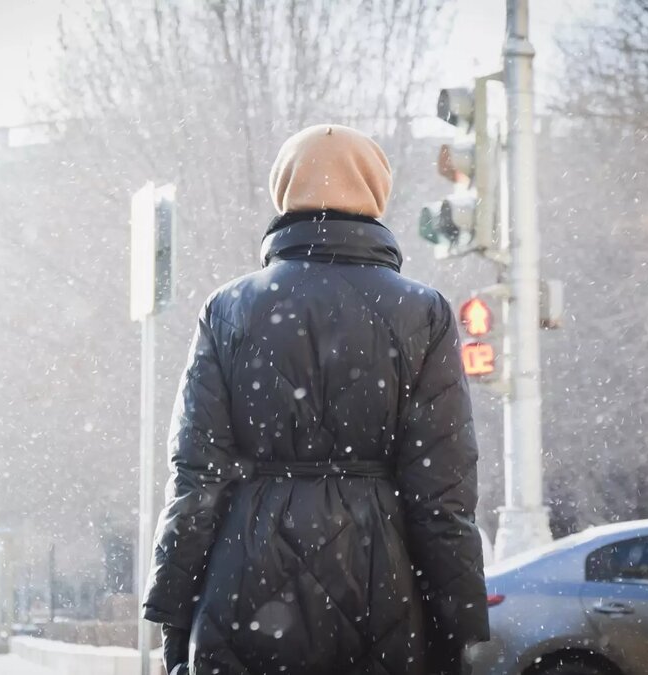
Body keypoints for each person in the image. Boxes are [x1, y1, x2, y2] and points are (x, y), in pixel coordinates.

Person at [143, 124, 489, 675]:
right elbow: (443, 493)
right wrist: (460, 629)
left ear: (284, 195)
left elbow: (196, 478)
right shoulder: (423, 313)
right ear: (377, 195)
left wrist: (173, 614)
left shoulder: (229, 310)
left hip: (244, 590)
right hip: (383, 592)